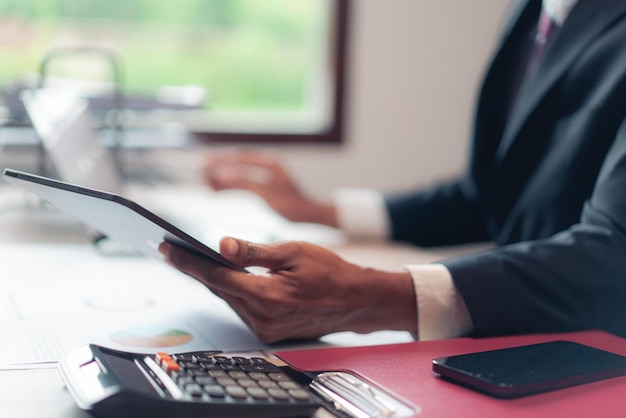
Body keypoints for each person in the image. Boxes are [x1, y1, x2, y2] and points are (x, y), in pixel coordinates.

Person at [159, 0, 626, 343]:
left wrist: (371, 297)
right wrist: (318, 210)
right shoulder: (534, 12)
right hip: (528, 344)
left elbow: (614, 256)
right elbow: (491, 196)